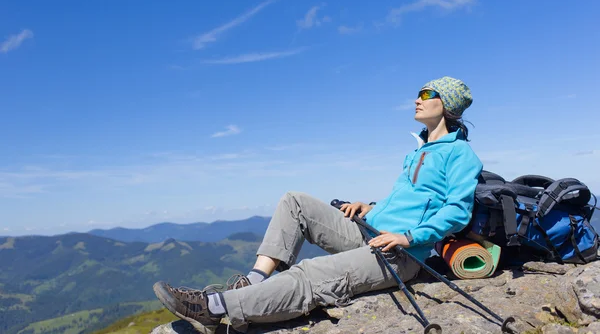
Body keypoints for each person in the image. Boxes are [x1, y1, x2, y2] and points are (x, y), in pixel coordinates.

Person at [153, 76, 483, 334]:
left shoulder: (461, 154)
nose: (416, 99)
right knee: (295, 201)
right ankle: (253, 282)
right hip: (369, 228)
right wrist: (370, 206)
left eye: (426, 95)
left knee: (312, 272)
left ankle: (216, 308)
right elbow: (411, 198)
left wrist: (407, 238)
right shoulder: (419, 150)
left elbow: (456, 211)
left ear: (447, 105)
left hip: (401, 254)